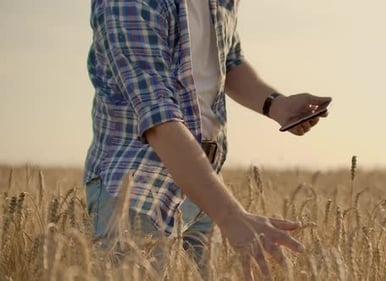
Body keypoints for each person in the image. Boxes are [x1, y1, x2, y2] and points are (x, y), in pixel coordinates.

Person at [83, 0, 330, 279]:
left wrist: (275, 104)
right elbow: (158, 119)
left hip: (205, 186)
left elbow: (229, 60)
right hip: (137, 187)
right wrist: (231, 216)